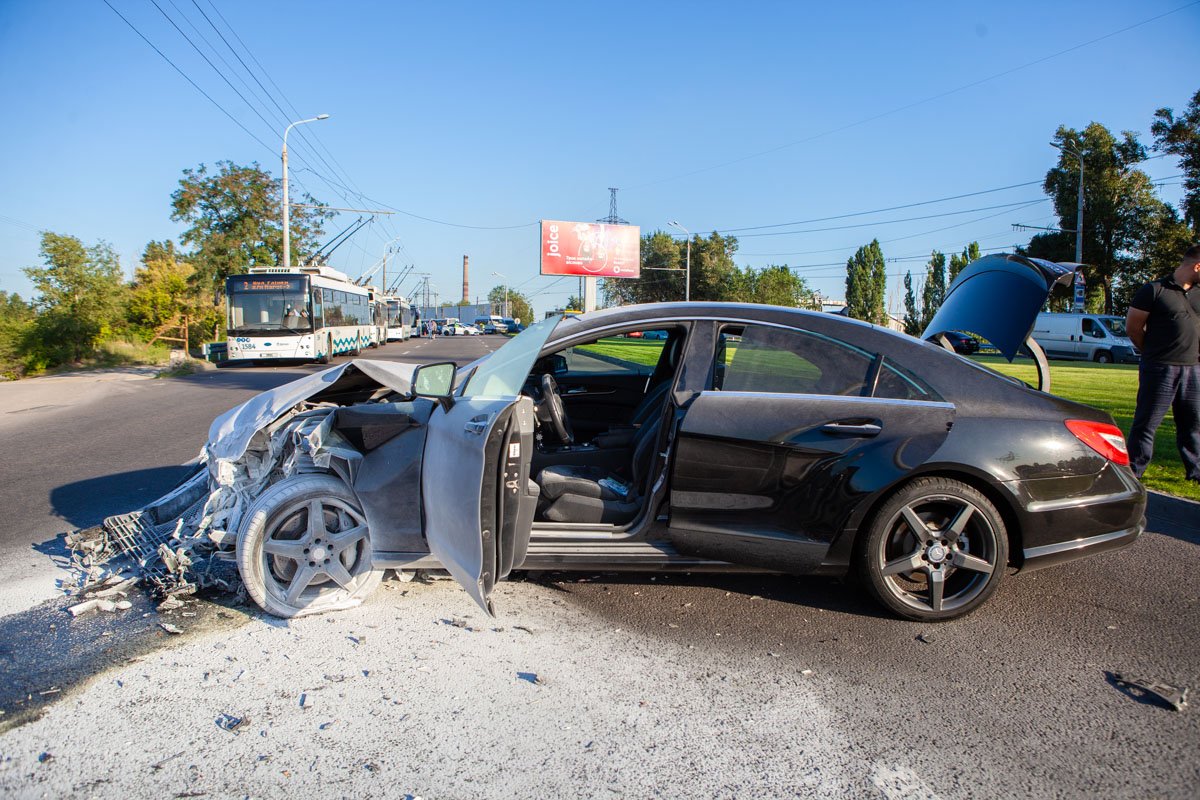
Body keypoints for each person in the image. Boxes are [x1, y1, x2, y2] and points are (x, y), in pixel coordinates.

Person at [1125, 243, 1200, 483]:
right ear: (1197, 266)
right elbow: (1133, 328)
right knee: (1147, 423)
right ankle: (1134, 470)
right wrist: (1152, 353)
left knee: (1193, 424)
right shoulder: (1154, 290)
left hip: (1194, 369)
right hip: (1160, 368)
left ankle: (1196, 471)